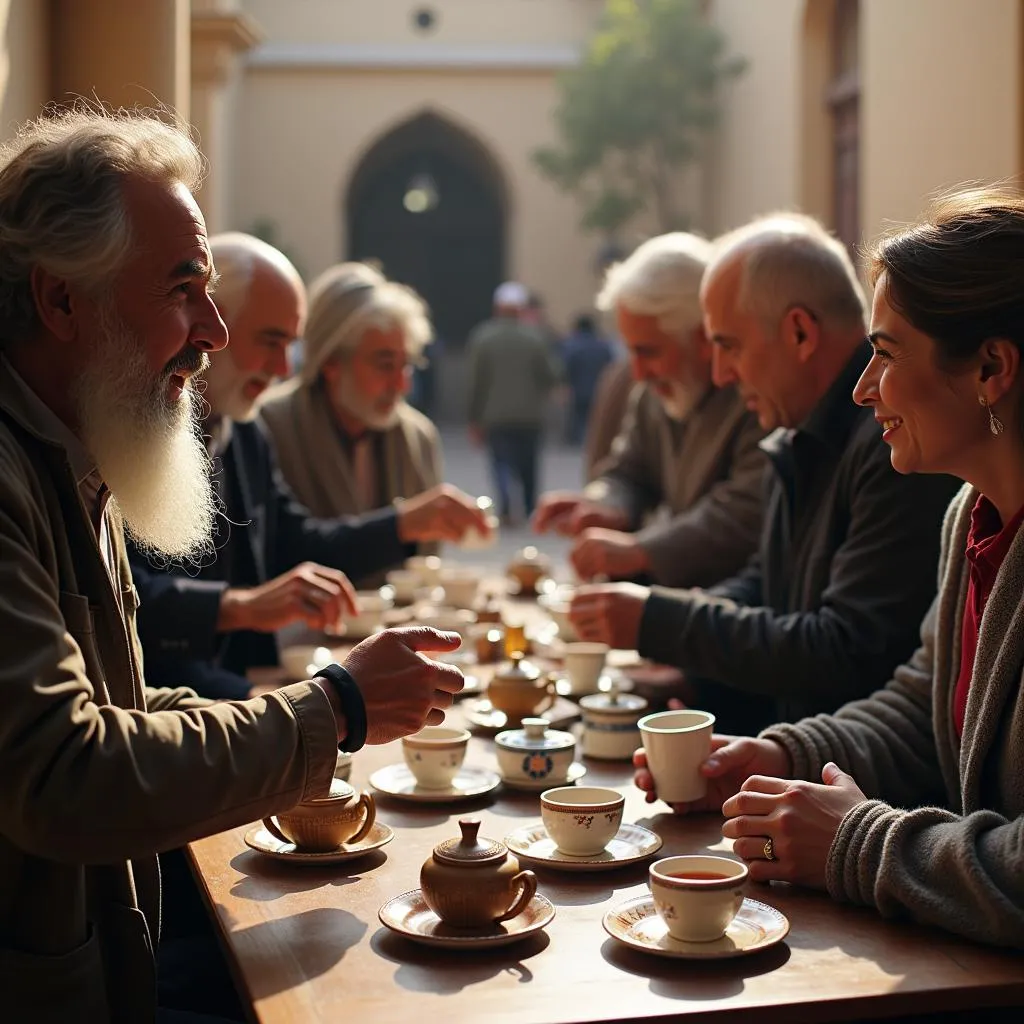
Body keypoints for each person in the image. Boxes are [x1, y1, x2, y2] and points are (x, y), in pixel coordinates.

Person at [0, 105, 465, 1023]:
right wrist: (332, 708)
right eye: (183, 289)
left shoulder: (67, 452)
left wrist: (322, 727)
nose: (212, 330)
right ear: (60, 300)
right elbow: (65, 774)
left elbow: (124, 708)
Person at [635, 188, 1024, 950]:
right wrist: (786, 753)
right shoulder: (967, 517)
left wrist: (858, 841)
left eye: (885, 352)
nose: (861, 387)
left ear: (990, 367)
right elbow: (921, 706)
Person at [570, 214, 960, 734]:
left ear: (800, 332)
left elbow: (846, 650)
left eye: (728, 346)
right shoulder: (799, 425)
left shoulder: (895, 443)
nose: (721, 375)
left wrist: (659, 621)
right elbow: (769, 583)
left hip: (849, 782)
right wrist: (689, 671)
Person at [129, 235, 488, 701]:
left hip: (245, 687)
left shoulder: (242, 430)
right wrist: (239, 608)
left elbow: (298, 542)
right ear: (208, 327)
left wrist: (402, 523)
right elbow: (125, 600)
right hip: (173, 705)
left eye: (290, 346)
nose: (283, 368)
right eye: (270, 342)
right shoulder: (136, 430)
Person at [534, 232, 766, 588]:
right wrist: (605, 504)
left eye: (650, 352)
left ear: (704, 338)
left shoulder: (757, 393)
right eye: (632, 353)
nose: (638, 373)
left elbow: (742, 514)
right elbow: (626, 470)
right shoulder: (653, 392)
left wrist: (641, 551)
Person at [259, 259, 445, 585]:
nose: (401, 385)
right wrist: (403, 524)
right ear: (331, 363)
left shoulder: (417, 436)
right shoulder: (269, 427)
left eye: (407, 365)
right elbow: (281, 552)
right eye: (385, 365)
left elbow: (427, 563)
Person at [467, 280, 561, 524]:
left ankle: (507, 508)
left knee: (501, 463)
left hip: (495, 416)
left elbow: (476, 383)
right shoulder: (535, 337)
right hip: (530, 416)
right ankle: (530, 509)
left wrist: (474, 419)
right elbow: (550, 375)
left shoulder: (483, 337)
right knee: (528, 465)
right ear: (521, 309)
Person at [561, 313, 616, 445]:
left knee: (578, 416)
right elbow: (611, 366)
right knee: (594, 417)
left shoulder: (572, 346)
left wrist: (564, 386)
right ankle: (592, 440)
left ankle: (578, 440)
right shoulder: (603, 346)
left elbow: (565, 368)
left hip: (577, 388)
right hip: (599, 388)